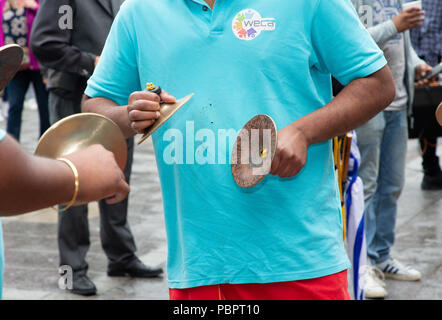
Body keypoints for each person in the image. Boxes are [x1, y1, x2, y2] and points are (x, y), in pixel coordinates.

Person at [83, 0, 396, 300]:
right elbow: (95, 108)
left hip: (300, 265)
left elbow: (377, 84)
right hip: (199, 269)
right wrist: (128, 114)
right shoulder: (139, 11)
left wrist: (303, 132)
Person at [30, 0, 162, 296]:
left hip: (115, 100)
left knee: (117, 176)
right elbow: (43, 43)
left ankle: (121, 255)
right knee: (74, 183)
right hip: (73, 98)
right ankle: (73, 269)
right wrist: (91, 62)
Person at [0, 113, 130, 300]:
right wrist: (75, 175)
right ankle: (72, 273)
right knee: (72, 211)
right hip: (67, 91)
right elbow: (0, 173)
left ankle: (123, 257)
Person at [351, 0, 433, 299]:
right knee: (365, 185)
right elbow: (348, 43)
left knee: (393, 186)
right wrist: (394, 25)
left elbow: (403, 44)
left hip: (398, 104)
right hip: (365, 102)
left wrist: (417, 63)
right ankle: (360, 265)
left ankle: (381, 255)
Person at [0, 0, 49, 141]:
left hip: (37, 64)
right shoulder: (1, 3)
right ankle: (12, 145)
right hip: (14, 65)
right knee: (15, 106)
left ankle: (46, 144)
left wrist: (34, 7)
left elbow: (47, 22)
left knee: (44, 106)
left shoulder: (37, 2)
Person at [410, 0, 442, 190]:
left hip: (436, 57)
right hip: (420, 61)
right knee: (427, 115)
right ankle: (430, 165)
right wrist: (415, 62)